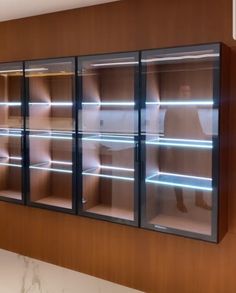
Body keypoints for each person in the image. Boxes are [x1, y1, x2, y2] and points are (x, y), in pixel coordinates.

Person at [163, 84, 211, 212]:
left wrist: (203, 138)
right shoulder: (172, 108)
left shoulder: (193, 107)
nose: (186, 93)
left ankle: (199, 200)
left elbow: (197, 125)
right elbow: (167, 128)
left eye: (188, 90)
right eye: (183, 90)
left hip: (193, 144)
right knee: (178, 174)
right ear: (178, 92)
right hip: (178, 146)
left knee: (198, 173)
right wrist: (169, 147)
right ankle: (179, 202)